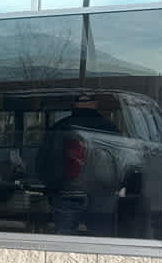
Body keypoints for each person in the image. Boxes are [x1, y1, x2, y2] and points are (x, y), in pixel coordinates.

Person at [40, 94, 122, 235]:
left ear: (74, 105)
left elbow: (42, 165)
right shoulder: (111, 130)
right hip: (102, 196)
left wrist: (52, 188)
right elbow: (121, 166)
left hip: (65, 193)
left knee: (62, 241)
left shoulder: (59, 128)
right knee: (102, 242)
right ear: (96, 104)